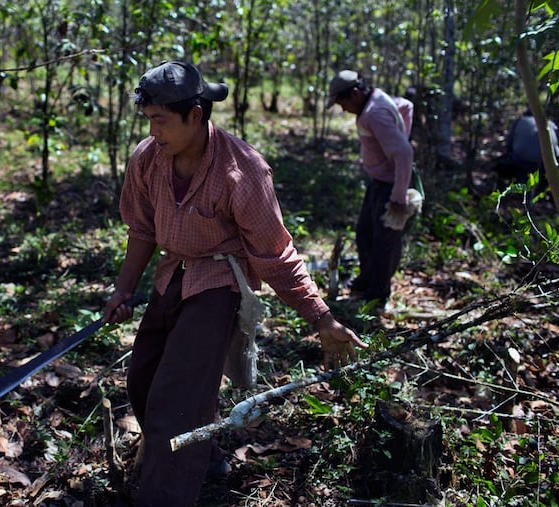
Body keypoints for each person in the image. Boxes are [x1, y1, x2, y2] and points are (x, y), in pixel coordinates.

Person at [102, 60, 367, 507]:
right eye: (149, 121)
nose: (154, 131)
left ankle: (164, 495)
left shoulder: (243, 171)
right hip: (173, 277)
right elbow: (142, 230)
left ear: (196, 115)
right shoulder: (147, 159)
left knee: (176, 400)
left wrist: (321, 318)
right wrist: (122, 290)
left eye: (162, 122)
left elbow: (275, 254)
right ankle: (203, 459)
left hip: (220, 283)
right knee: (143, 381)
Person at [326, 70, 415, 307]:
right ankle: (366, 283)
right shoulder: (376, 100)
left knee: (383, 242)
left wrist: (398, 196)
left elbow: (404, 152)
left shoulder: (374, 113)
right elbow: (405, 106)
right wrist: (400, 136)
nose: (342, 109)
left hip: (391, 187)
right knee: (365, 234)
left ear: (355, 93)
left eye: (342, 102)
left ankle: (376, 296)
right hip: (380, 182)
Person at [499, 107, 559, 188]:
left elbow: (509, 143)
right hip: (544, 164)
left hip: (523, 161)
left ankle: (521, 185)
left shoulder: (521, 121)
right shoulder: (549, 124)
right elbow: (557, 150)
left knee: (517, 165)